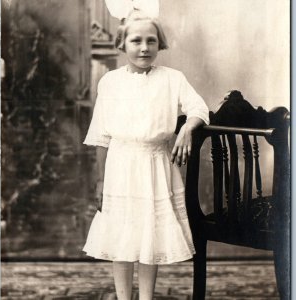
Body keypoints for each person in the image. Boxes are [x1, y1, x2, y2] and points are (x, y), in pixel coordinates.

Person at [83, 9, 209, 300]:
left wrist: (188, 128)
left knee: (149, 235)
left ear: (159, 44)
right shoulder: (110, 82)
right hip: (120, 166)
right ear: (122, 44)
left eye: (151, 41)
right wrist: (101, 182)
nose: (144, 48)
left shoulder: (173, 78)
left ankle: (146, 298)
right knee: (123, 236)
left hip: (155, 165)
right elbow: (102, 136)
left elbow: (199, 108)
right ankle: (124, 296)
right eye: (136, 41)